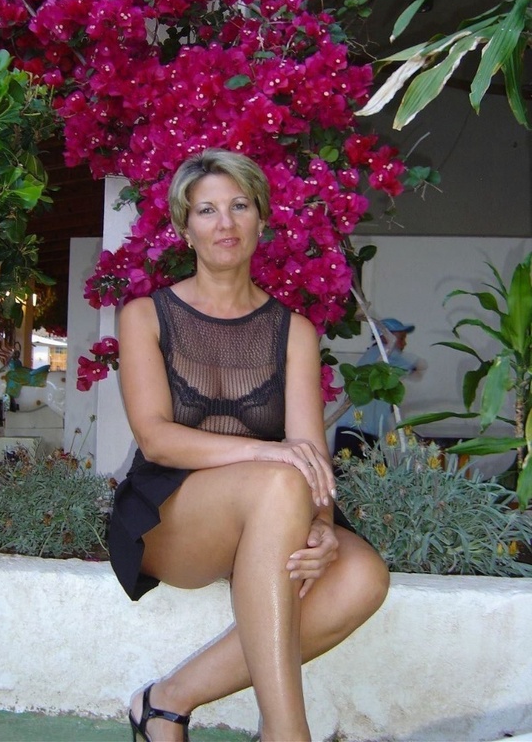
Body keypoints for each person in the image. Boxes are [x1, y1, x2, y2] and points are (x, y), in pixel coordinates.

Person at [109, 148, 390, 742]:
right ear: (185, 227)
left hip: (273, 507)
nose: (225, 223)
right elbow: (156, 439)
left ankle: (165, 702)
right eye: (206, 210)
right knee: (282, 476)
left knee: (362, 576)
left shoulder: (294, 332)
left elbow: (308, 450)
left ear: (262, 219)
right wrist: (265, 452)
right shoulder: (146, 316)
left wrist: (321, 526)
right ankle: (287, 732)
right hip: (171, 515)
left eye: (239, 206)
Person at [333, 318, 427, 457]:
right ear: (384, 337)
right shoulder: (382, 353)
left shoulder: (374, 356)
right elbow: (419, 367)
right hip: (357, 432)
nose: (404, 343)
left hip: (359, 431)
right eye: (401, 338)